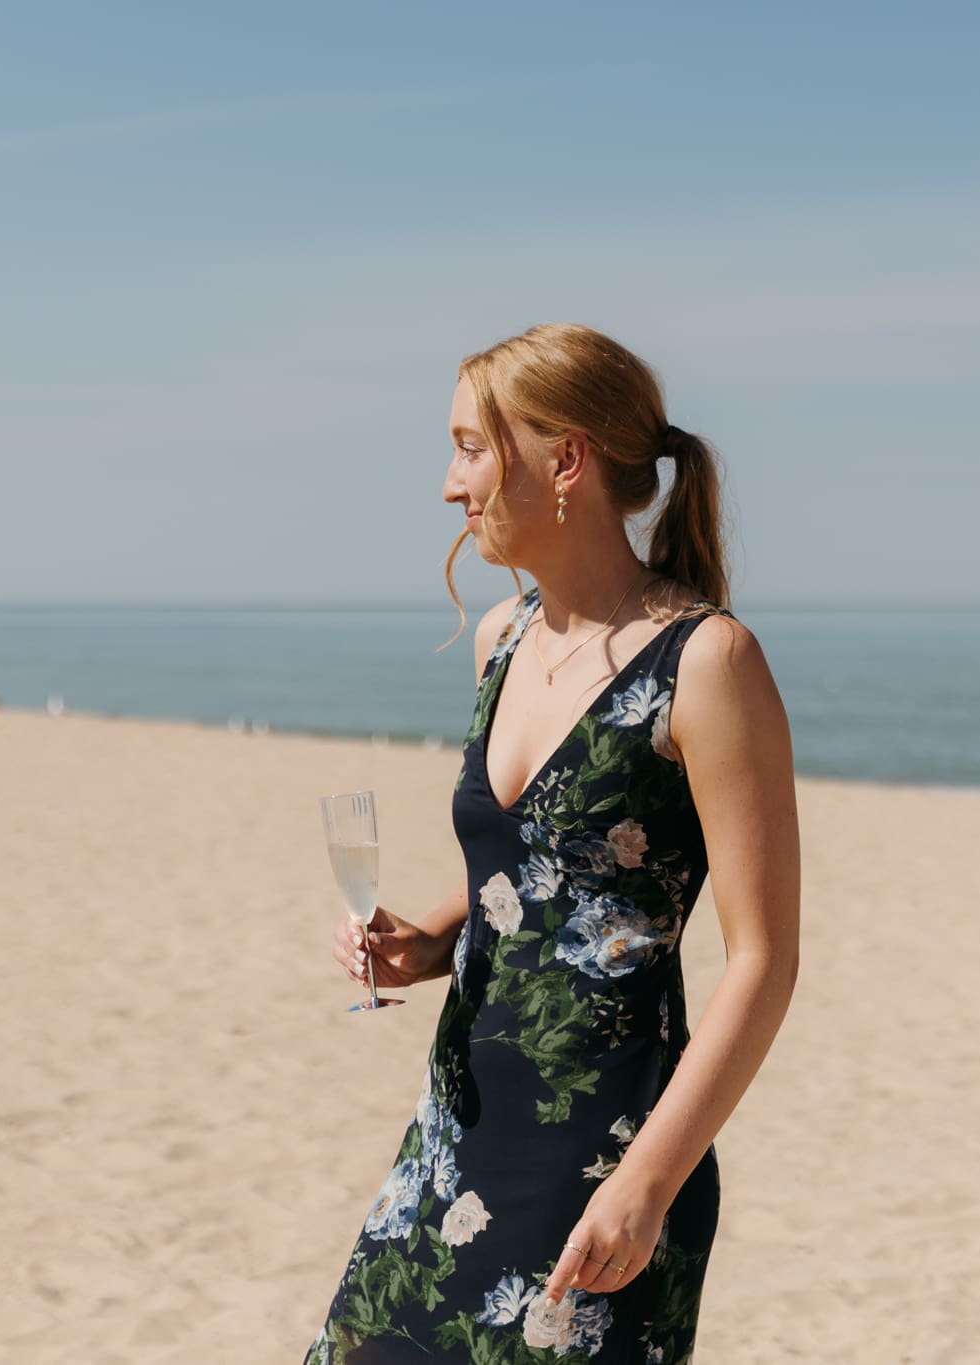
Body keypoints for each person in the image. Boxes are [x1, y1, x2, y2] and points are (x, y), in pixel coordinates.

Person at [303, 323, 800, 1362]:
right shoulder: (501, 638)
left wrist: (647, 1186)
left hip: (604, 1166)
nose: (450, 485)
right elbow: (527, 877)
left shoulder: (706, 663)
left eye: (470, 449)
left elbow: (761, 959)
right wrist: (424, 939)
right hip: (452, 1138)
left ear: (564, 460)